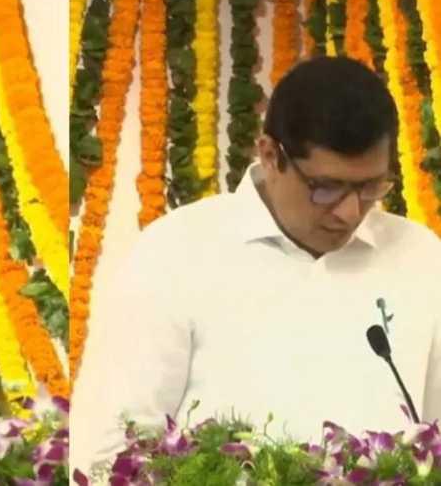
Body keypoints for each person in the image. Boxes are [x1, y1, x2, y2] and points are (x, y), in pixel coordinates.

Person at [71, 56, 441, 478]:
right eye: (326, 188)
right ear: (270, 154)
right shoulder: (176, 252)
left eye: (371, 187)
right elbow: (109, 448)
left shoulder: (420, 256)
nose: (350, 211)